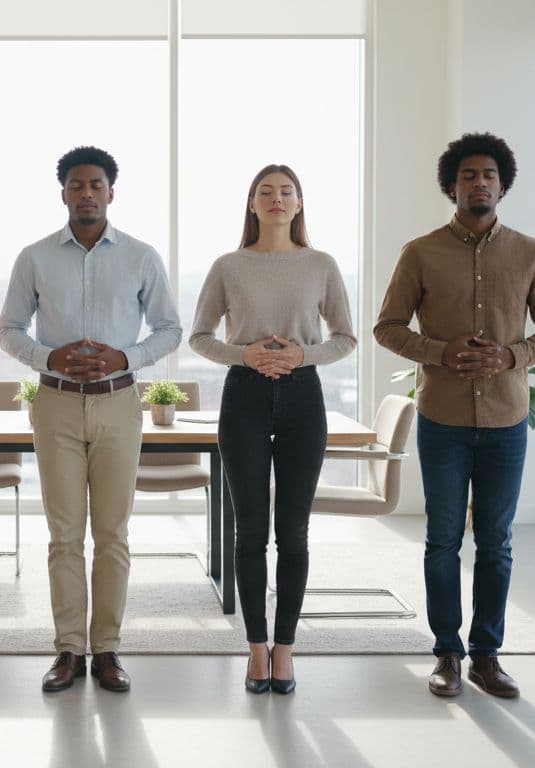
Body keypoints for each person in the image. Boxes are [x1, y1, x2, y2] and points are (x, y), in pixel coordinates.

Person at [374, 133, 535, 699]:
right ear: (451, 186)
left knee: (496, 541)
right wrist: (440, 351)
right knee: (441, 540)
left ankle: (487, 655)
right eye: (467, 176)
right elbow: (387, 327)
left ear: (502, 184)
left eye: (488, 174)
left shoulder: (530, 253)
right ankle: (446, 655)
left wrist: (513, 355)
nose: (478, 183)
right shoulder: (421, 251)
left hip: (507, 420)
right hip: (442, 419)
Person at [0, 145, 182, 693]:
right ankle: (68, 651)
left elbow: (170, 329)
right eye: (76, 185)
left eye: (95, 185)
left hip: (119, 403)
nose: (86, 194)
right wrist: (47, 357)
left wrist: (125, 357)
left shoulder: (142, 256)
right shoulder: (33, 257)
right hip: (54, 402)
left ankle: (107, 650)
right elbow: (8, 330)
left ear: (110, 193)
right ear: (63, 193)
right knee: (62, 535)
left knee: (113, 534)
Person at [188, 164, 357, 694]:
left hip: (304, 397)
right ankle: (255, 649)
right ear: (252, 204)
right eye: (266, 192)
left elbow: (346, 338)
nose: (276, 199)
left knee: (294, 533)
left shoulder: (321, 265)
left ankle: (286, 651)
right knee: (250, 531)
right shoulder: (228, 266)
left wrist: (303, 355)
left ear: (300, 203)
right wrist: (246, 354)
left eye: (286, 192)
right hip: (244, 396)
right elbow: (199, 336)